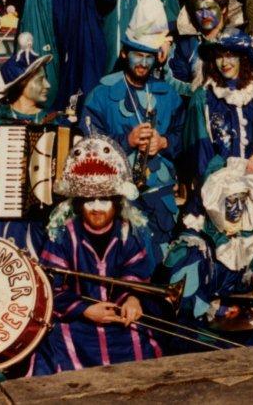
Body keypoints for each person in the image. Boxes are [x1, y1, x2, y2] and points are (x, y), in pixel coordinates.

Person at [32, 134, 161, 373]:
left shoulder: (126, 232)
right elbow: (49, 288)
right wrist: (85, 310)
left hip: (119, 320)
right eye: (90, 200)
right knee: (62, 362)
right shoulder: (63, 235)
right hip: (77, 324)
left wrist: (133, 299)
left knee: (143, 358)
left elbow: (137, 272)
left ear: (116, 201)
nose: (97, 208)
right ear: (79, 203)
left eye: (104, 200)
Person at [82, 0, 183, 257]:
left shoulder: (169, 94)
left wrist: (164, 142)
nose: (143, 62)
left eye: (149, 56)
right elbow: (86, 148)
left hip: (160, 199)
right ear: (125, 53)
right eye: (138, 54)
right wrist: (125, 141)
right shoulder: (101, 94)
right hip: (116, 197)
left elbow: (183, 138)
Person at [157, 159, 253, 350]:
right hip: (201, 337)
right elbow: (181, 306)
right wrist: (216, 309)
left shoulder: (248, 238)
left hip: (239, 326)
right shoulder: (193, 247)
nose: (237, 209)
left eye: (242, 199)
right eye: (231, 201)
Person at [0, 32, 59, 257]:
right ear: (21, 83)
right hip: (3, 221)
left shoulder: (57, 122)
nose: (47, 85)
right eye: (40, 79)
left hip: (48, 223)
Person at [183, 33, 253, 185]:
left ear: (242, 58)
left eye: (230, 55)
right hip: (216, 184)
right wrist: (214, 176)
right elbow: (197, 148)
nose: (225, 62)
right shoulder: (203, 97)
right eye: (219, 57)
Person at [168, 0, 244, 98]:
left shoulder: (238, 39)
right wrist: (198, 94)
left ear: (223, 9)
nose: (204, 15)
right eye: (199, 10)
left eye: (209, 9)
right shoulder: (186, 44)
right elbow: (174, 80)